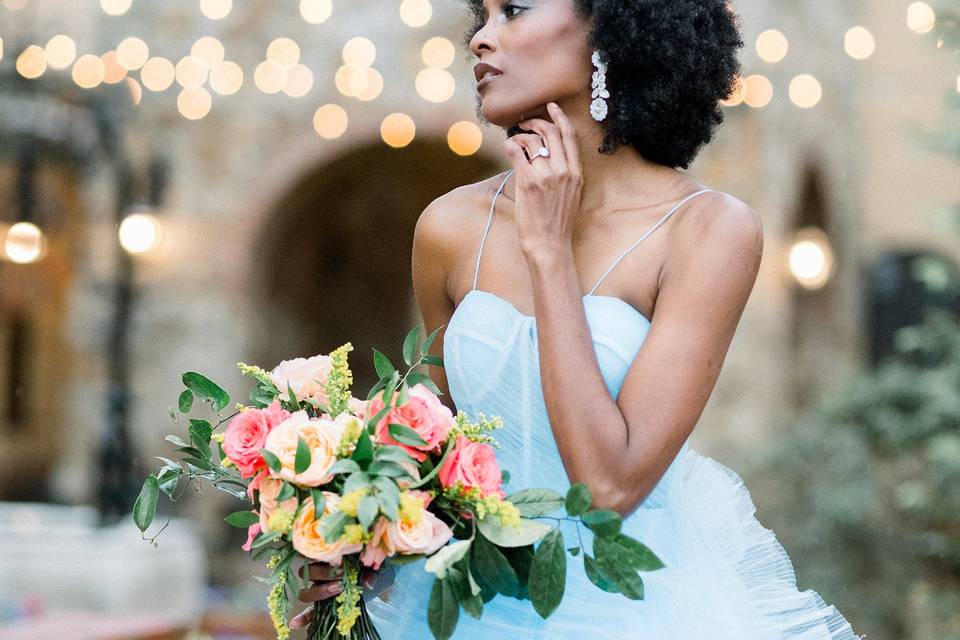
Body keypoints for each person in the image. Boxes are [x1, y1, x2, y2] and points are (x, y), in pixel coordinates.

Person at [293, 0, 864, 637]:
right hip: (459, 607)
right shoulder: (448, 228)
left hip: (634, 608)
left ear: (615, 25)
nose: (482, 38)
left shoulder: (710, 231)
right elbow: (435, 458)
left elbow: (607, 490)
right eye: (480, 17)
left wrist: (548, 252)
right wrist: (351, 538)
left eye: (515, 10)